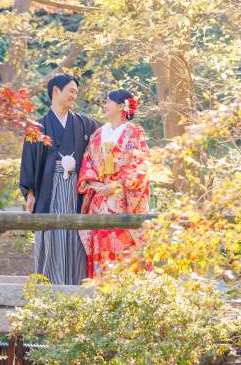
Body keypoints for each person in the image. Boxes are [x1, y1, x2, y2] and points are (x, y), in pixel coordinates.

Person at [19, 74, 102, 285]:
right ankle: (49, 287)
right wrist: (30, 193)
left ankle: (76, 287)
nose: (75, 95)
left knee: (76, 237)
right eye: (71, 91)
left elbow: (109, 135)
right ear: (56, 91)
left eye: (76, 92)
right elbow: (28, 160)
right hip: (49, 188)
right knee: (51, 235)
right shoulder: (36, 127)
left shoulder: (85, 123)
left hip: (77, 189)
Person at [76, 89, 151, 279]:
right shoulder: (98, 133)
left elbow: (142, 165)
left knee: (125, 246)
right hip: (100, 198)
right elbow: (87, 161)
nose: (105, 105)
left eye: (109, 101)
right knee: (100, 247)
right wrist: (94, 183)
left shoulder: (134, 133)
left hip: (123, 200)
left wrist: (118, 184)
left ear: (121, 106)